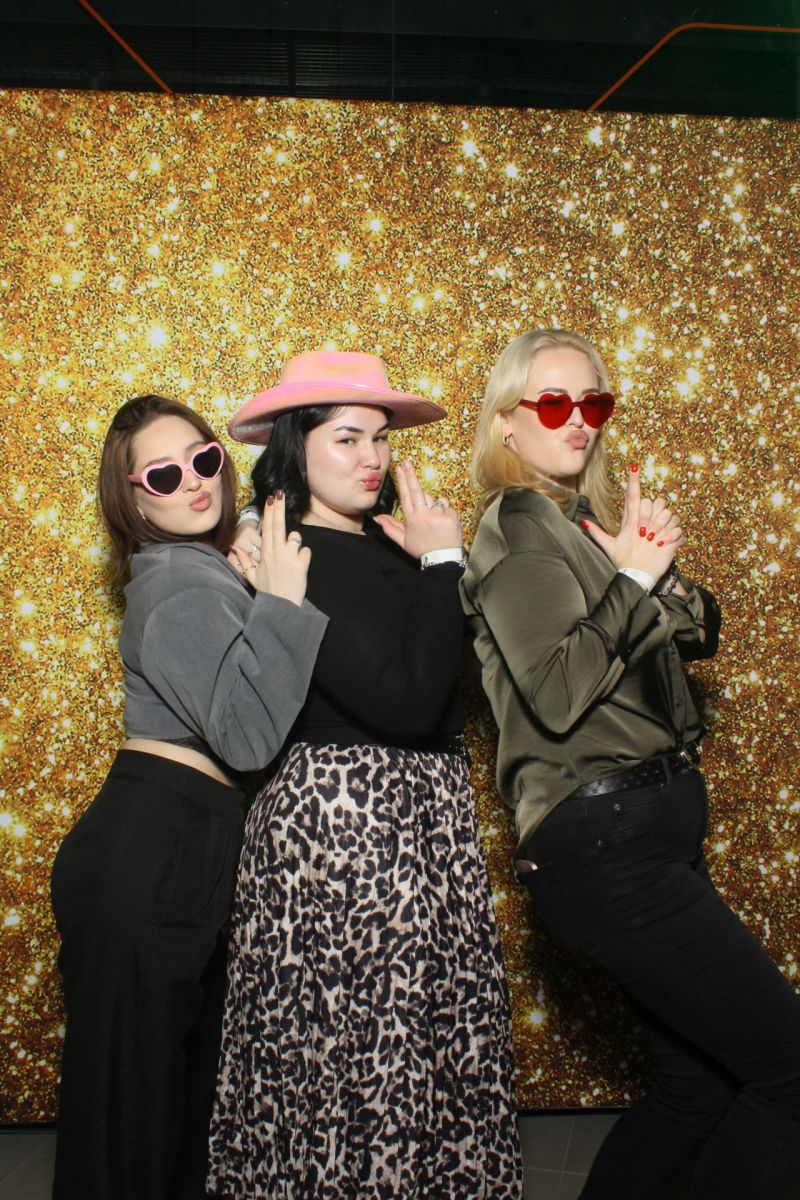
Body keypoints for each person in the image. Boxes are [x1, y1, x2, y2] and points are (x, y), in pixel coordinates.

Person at [461, 328, 800, 1199]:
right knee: (788, 1074)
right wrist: (635, 584)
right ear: (506, 423)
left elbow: (702, 631)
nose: (577, 420)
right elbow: (556, 690)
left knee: (697, 1088)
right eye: (551, 403)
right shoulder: (517, 524)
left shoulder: (579, 522)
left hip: (636, 838)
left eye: (594, 402)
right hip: (605, 845)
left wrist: (653, 574)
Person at [207, 351, 523, 1199]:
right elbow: (407, 701)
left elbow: (465, 674)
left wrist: (436, 562)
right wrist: (442, 565)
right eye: (347, 438)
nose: (373, 457)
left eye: (380, 438)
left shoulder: (392, 541)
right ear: (294, 445)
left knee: (426, 1038)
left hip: (425, 818)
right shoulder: (290, 552)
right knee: (356, 1053)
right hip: (344, 824)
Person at [50, 394, 328, 1200]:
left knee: (170, 1113)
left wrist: (248, 538)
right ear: (136, 501)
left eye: (204, 459)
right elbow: (246, 736)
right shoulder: (178, 587)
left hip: (178, 842)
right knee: (128, 1125)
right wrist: (281, 599)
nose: (195, 481)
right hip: (153, 844)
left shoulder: (197, 566)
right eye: (165, 476)